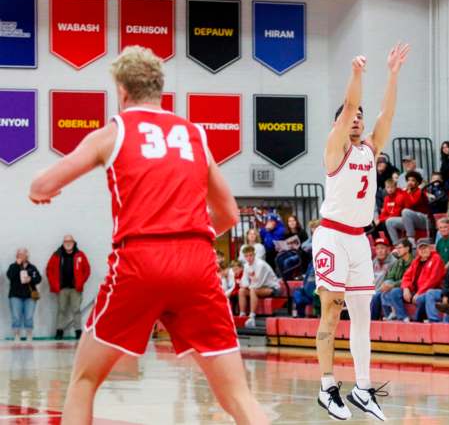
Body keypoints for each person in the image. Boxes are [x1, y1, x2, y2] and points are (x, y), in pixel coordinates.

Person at [27, 46, 268, 424]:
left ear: (122, 91)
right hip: (197, 262)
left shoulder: (114, 132)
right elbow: (228, 214)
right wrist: (191, 240)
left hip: (140, 261)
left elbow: (43, 182)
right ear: (159, 89)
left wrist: (40, 191)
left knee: (84, 380)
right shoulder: (193, 135)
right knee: (237, 396)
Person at [310, 43, 409, 420]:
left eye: (359, 117)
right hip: (332, 235)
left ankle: (363, 388)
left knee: (362, 316)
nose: (356, 119)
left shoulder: (371, 148)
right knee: (331, 311)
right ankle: (327, 385)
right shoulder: (335, 148)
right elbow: (350, 106)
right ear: (339, 123)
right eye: (350, 116)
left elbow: (390, 112)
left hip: (358, 239)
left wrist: (393, 73)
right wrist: (356, 74)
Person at [383, 239, 446, 323]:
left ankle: (418, 320)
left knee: (420, 298)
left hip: (430, 290)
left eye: (425, 248)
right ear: (417, 250)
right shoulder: (416, 261)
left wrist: (419, 292)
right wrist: (406, 288)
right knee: (394, 292)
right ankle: (403, 318)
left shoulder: (436, 259)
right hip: (415, 291)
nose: (423, 250)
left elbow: (433, 280)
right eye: (421, 248)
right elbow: (407, 276)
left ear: (430, 248)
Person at [46, 234, 91, 341]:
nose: (68, 243)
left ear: (74, 242)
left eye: (70, 241)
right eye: (66, 241)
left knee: (76, 310)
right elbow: (49, 270)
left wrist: (81, 282)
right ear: (63, 243)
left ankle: (78, 332)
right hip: (62, 289)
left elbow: (87, 270)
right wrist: (54, 284)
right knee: (61, 310)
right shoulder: (56, 255)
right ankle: (59, 332)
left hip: (76, 289)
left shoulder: (80, 255)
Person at [238, 244, 282, 326]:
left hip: (273, 288)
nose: (249, 258)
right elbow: (244, 282)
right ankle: (242, 315)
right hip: (260, 288)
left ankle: (252, 317)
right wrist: (245, 286)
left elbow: (258, 284)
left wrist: (248, 286)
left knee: (253, 290)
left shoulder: (260, 264)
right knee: (241, 291)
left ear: (254, 254)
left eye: (250, 255)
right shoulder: (246, 266)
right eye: (246, 256)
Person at [7, 248, 41, 342]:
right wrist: (17, 265)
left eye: (23, 254)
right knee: (16, 316)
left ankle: (29, 334)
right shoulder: (13, 266)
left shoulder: (32, 267)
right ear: (16, 256)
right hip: (15, 295)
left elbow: (38, 278)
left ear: (27, 256)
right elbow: (10, 276)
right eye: (19, 254)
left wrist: (31, 279)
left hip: (30, 296)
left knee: (29, 316)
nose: (21, 256)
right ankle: (16, 335)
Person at [378, 239, 413, 320]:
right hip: (398, 286)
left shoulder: (413, 261)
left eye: (400, 248)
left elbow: (409, 279)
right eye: (397, 248)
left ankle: (403, 317)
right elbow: (390, 276)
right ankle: (389, 316)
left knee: (394, 292)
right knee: (381, 293)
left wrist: (392, 285)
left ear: (407, 249)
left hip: (409, 288)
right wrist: (386, 284)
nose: (398, 250)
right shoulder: (398, 262)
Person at [368, 239, 395, 321]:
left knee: (375, 296)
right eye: (378, 249)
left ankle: (372, 321)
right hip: (373, 290)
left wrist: (375, 291)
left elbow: (391, 279)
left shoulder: (393, 262)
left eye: (382, 248)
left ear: (388, 249)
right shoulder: (374, 262)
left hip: (385, 290)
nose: (380, 251)